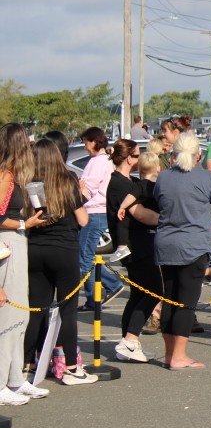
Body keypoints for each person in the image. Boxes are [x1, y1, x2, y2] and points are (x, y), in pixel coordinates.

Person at [154, 133, 211, 370]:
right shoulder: (205, 177)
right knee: (186, 302)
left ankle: (170, 354)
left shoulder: (163, 177)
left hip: (166, 244)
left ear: (174, 154)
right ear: (198, 155)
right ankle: (179, 356)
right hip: (194, 246)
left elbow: (158, 201)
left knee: (169, 298)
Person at [25, 138, 94, 386]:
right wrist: (82, 197)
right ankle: (72, 368)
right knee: (67, 309)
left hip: (35, 248)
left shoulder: (29, 184)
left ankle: (28, 363)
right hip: (64, 249)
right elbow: (83, 220)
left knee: (36, 309)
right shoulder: (67, 181)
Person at [0, 124, 48, 405]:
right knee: (9, 316)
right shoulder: (5, 176)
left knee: (20, 315)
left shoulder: (13, 176)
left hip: (16, 241)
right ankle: (2, 383)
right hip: (8, 244)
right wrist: (23, 224)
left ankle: (15, 378)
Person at [107, 142, 161, 363]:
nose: (140, 159)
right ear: (129, 158)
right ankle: (129, 340)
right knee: (154, 290)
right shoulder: (120, 184)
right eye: (137, 155)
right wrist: (168, 220)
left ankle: (128, 343)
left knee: (138, 293)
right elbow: (139, 214)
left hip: (140, 243)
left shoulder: (132, 182)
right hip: (135, 245)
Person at [77, 126, 125, 312]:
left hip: (94, 212)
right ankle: (98, 294)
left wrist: (77, 199)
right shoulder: (102, 160)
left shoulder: (98, 161)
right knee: (86, 256)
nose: (85, 147)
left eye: (86, 143)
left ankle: (104, 290)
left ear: (94, 142)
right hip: (96, 211)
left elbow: (88, 188)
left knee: (85, 258)